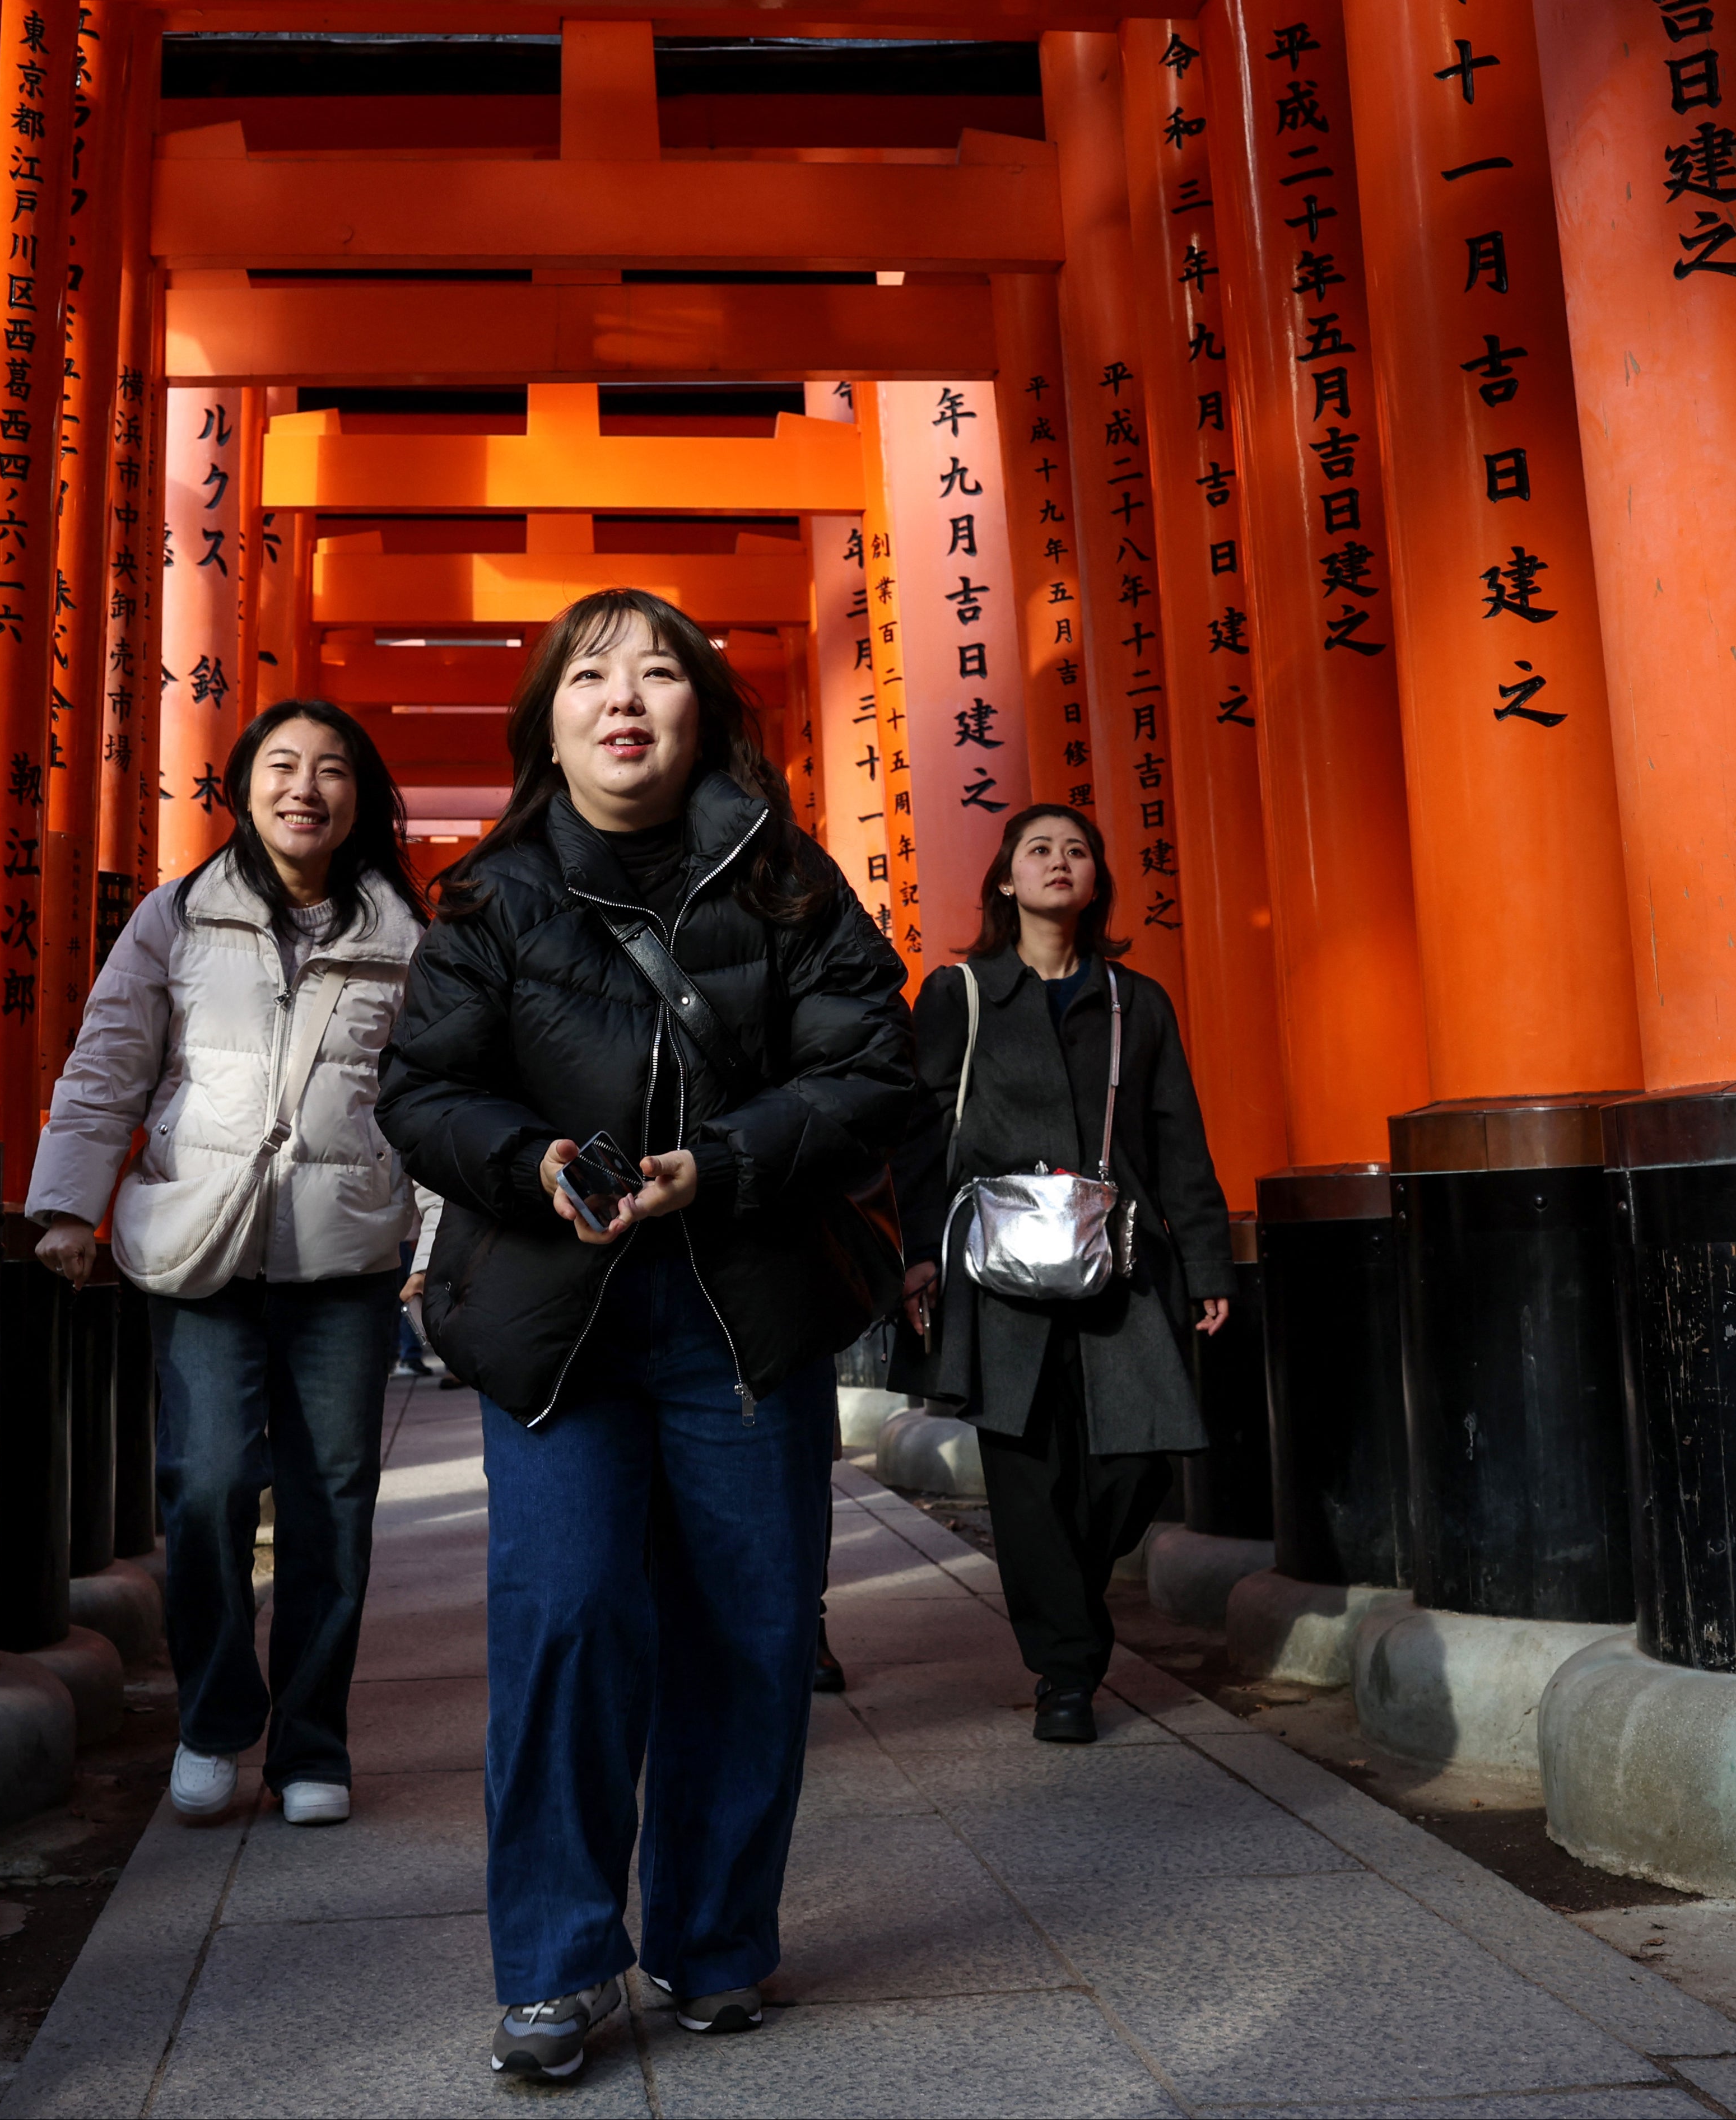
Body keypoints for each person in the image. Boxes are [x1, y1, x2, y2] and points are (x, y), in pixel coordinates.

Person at [378, 588, 916, 2084]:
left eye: (660, 672)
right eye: (591, 675)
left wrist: (726, 1161)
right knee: (565, 1621)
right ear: (547, 722)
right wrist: (532, 1160)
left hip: (742, 1310)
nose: (626, 697)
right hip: (561, 1323)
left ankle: (714, 1940)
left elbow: (877, 1065)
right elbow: (421, 1092)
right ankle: (553, 1964)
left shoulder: (788, 882)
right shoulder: (487, 899)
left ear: (706, 714)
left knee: (748, 1632)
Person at [27, 701, 428, 1830]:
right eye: (282, 766)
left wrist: (434, 1241)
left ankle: (311, 1742)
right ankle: (212, 1716)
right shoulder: (178, 917)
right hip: (198, 1245)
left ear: (361, 798)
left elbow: (435, 1092)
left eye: (332, 770)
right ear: (244, 787)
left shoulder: (404, 933)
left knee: (330, 1503)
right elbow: (112, 1054)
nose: (306, 788)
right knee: (205, 1487)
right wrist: (67, 1202)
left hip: (341, 1254)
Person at [893, 803, 1234, 1744]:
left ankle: (1066, 1603)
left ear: (1095, 882)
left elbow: (1177, 1138)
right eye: (1037, 849)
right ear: (1006, 879)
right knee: (1027, 1474)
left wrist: (1206, 1259)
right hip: (1000, 1273)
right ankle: (1066, 1674)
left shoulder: (1136, 1000)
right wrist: (919, 1253)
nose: (1058, 861)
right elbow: (919, 1137)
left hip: (1118, 1260)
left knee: (1136, 1467)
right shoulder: (960, 994)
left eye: (1077, 849)